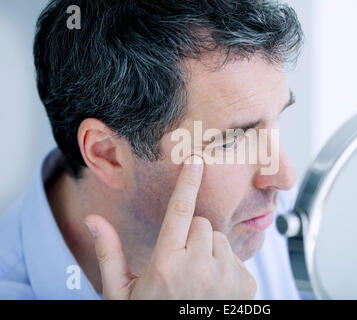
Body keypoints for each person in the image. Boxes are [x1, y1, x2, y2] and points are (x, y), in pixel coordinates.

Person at [0, 0, 304, 299]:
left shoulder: (286, 218)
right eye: (230, 141)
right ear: (107, 155)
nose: (285, 177)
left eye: (277, 119)